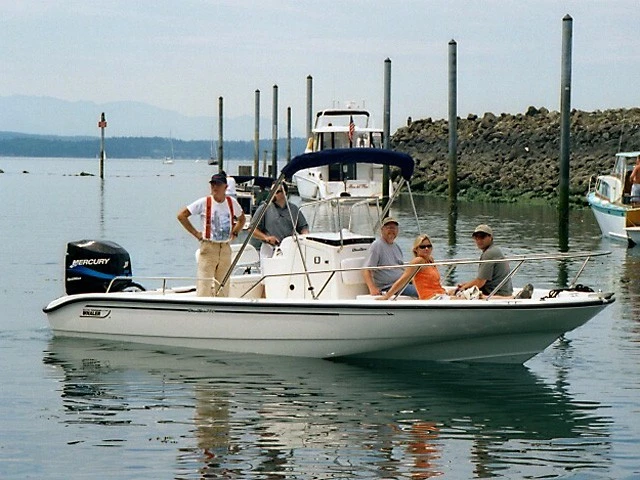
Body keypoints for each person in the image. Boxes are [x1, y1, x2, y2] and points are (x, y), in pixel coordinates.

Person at [177, 172, 246, 297]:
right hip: (209, 248)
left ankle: (221, 313)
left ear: (225, 187)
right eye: (213, 184)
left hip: (225, 248)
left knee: (223, 288)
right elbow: (182, 215)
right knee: (204, 287)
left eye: (218, 184)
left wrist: (235, 231)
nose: (215, 187)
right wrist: (196, 234)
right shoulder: (204, 202)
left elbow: (242, 219)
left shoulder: (232, 203)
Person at [362, 217, 419, 298]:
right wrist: (372, 288)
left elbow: (400, 268)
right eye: (389, 228)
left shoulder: (396, 246)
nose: (392, 230)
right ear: (382, 230)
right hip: (389, 287)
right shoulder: (377, 245)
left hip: (402, 283)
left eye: (394, 228)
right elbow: (366, 270)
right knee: (421, 291)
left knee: (429, 286)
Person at [252, 183, 309, 261]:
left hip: (289, 248)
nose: (272, 194)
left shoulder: (294, 209)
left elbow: (303, 228)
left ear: (284, 193)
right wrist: (267, 238)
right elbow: (252, 230)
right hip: (269, 249)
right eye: (271, 191)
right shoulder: (264, 208)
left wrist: (304, 239)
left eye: (276, 192)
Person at [381, 234, 446, 300]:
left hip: (440, 295)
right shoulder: (418, 261)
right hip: (430, 298)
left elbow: (434, 285)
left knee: (456, 294)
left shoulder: (430, 260)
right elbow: (403, 280)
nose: (426, 248)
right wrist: (387, 296)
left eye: (429, 246)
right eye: (422, 247)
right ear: (416, 249)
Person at [455, 224, 513, 297]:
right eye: (476, 237)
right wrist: (466, 284)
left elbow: (480, 282)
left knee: (455, 294)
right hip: (504, 291)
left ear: (490, 237)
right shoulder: (495, 250)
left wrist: (463, 288)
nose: (479, 240)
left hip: (495, 293)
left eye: (482, 236)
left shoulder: (489, 254)